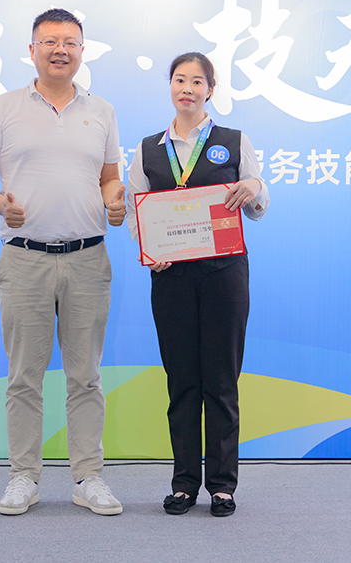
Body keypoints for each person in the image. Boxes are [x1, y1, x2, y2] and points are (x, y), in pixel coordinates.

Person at [0, 8, 127, 516]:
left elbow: (108, 177)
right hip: (25, 259)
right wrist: (3, 206)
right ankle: (23, 477)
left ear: (82, 51)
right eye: (50, 41)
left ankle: (88, 477)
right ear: (32, 49)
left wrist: (115, 201)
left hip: (87, 258)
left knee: (86, 376)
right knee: (24, 376)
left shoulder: (102, 110)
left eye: (70, 42)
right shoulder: (3, 108)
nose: (61, 50)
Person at [126, 52, 268, 517]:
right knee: (182, 380)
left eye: (196, 81)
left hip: (225, 274)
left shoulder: (234, 140)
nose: (187, 88)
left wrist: (255, 189)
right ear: (170, 86)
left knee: (222, 380)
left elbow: (257, 203)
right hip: (172, 277)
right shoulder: (148, 148)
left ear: (210, 89)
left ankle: (222, 485)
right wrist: (151, 249)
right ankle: (184, 483)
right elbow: (135, 211)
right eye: (179, 80)